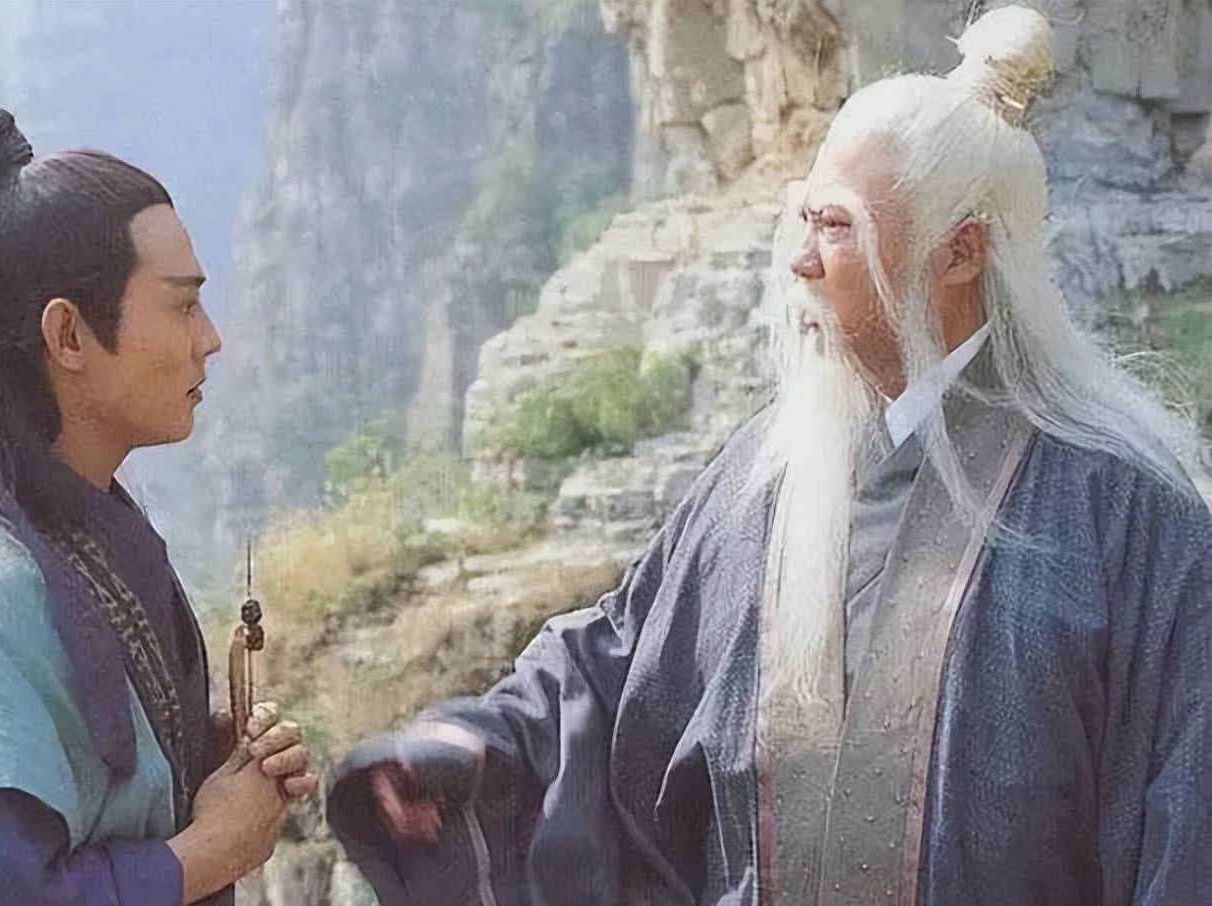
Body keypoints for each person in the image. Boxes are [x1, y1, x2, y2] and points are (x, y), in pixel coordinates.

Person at [326, 7, 1212, 905]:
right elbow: (616, 665)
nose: (800, 262)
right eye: (805, 219)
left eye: (837, 228)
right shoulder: (770, 478)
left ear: (961, 252)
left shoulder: (1127, 518)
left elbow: (1188, 830)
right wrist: (469, 749)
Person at [0, 108, 318, 906]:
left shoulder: (82, 538)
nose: (210, 339)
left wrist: (197, 764)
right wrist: (208, 851)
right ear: (69, 336)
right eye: (182, 306)